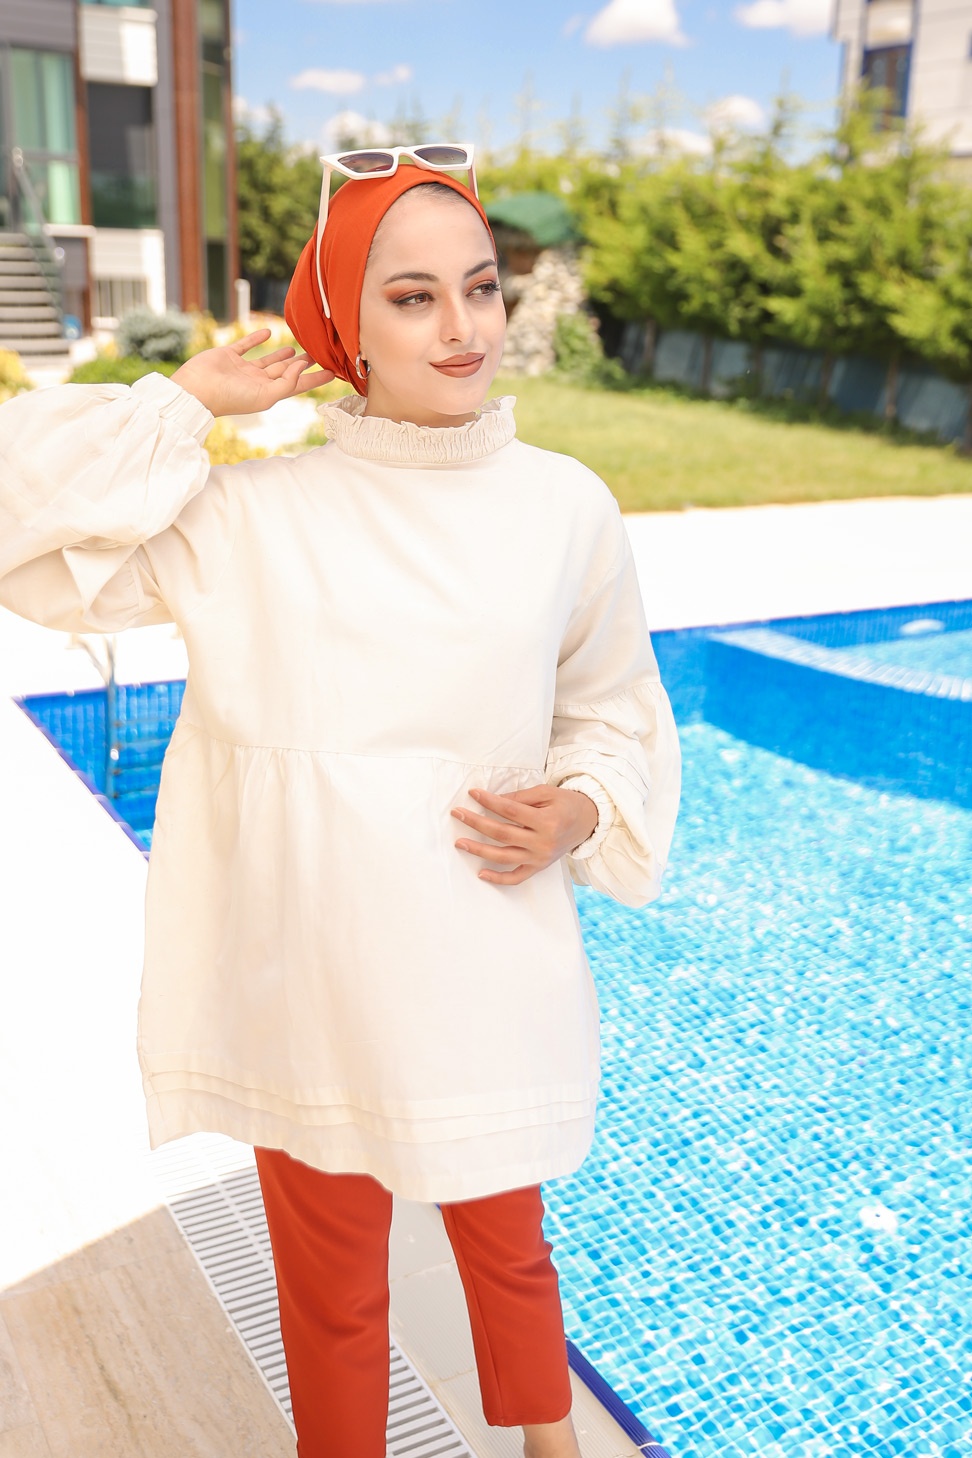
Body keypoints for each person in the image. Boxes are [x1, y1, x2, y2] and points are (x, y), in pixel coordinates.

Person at [0, 151, 681, 1458]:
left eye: (480, 287)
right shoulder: (246, 518)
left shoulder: (565, 507)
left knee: (508, 1241)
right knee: (330, 1285)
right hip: (307, 973)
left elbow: (613, 705)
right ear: (340, 326)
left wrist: (582, 808)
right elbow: (19, 521)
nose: (464, 326)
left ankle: (553, 1446)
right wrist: (183, 401)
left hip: (484, 955)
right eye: (413, 297)